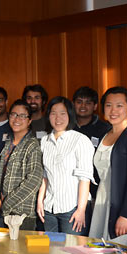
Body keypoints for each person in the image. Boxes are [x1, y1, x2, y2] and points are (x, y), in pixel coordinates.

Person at [88, 87, 127, 249]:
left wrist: (125, 214)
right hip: (103, 203)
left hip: (124, 208)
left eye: (119, 105)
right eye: (109, 105)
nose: (113, 110)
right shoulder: (107, 133)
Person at [36, 97, 94, 235]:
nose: (58, 118)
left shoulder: (80, 140)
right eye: (53, 113)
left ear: (70, 115)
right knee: (52, 251)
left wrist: (81, 210)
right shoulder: (45, 141)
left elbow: (84, 178)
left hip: (72, 208)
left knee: (72, 252)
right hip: (49, 207)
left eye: (63, 113)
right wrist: (40, 201)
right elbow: (45, 175)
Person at [0, 99, 43, 230]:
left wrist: (6, 204)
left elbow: (34, 180)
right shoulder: (8, 142)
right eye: (13, 114)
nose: (17, 118)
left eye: (22, 115)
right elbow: (0, 174)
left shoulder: (32, 145)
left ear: (29, 121)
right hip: (4, 210)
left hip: (22, 212)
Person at [72, 86, 111, 234]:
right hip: (69, 187)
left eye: (88, 103)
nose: (83, 106)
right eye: (79, 102)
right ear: (73, 104)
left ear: (95, 106)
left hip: (95, 189)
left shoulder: (104, 128)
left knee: (92, 232)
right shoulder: (67, 125)